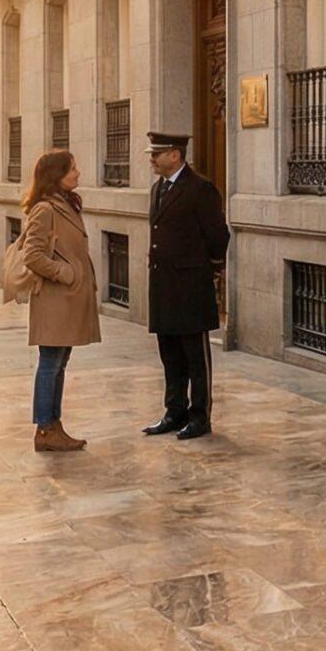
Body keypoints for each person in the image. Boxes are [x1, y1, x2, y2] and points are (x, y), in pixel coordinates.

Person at [10, 151, 98, 451]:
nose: (78, 173)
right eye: (72, 168)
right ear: (56, 174)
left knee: (59, 363)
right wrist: (66, 273)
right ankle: (45, 429)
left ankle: (53, 424)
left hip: (67, 301)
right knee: (50, 364)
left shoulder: (65, 204)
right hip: (55, 300)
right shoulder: (45, 209)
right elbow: (33, 255)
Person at [143, 132, 223, 440]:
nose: (152, 158)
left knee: (195, 356)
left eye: (157, 153)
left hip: (190, 285)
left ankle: (200, 416)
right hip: (163, 286)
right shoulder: (157, 189)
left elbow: (218, 235)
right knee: (169, 353)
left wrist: (212, 269)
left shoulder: (200, 189)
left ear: (175, 155)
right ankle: (174, 411)